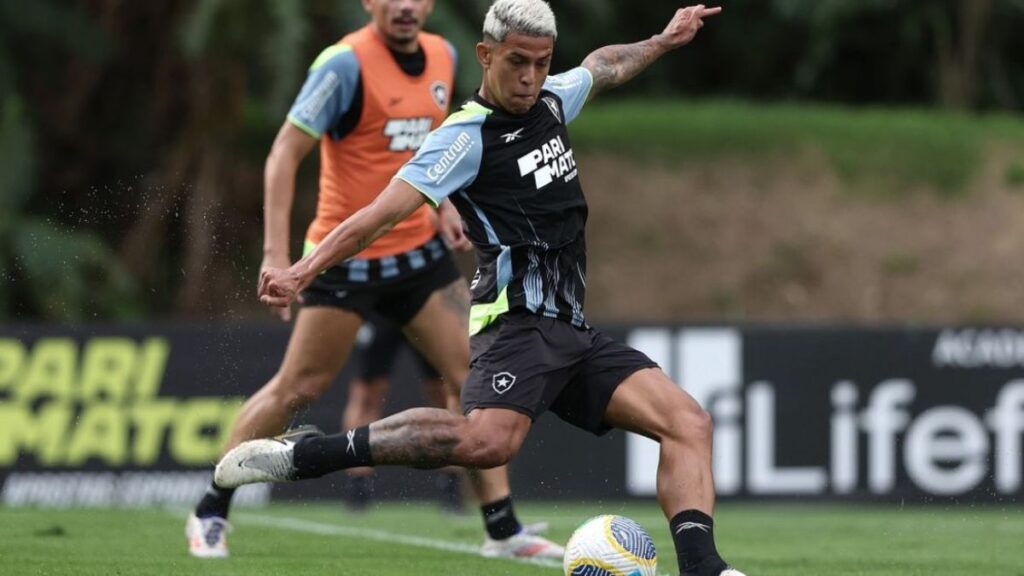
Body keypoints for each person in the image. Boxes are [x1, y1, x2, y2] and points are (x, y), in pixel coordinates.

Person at [220, 1, 746, 575]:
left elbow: (607, 64)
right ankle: (306, 455)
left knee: (688, 421)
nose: (529, 77)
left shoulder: (552, 98)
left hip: (572, 331)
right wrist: (302, 269)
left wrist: (664, 41)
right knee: (486, 444)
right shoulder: (463, 138)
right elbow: (377, 216)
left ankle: (704, 569)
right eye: (517, 61)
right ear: (485, 54)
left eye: (542, 63)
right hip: (516, 324)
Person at [186, 0, 562, 560]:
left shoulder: (444, 54)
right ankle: (211, 508)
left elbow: (440, 147)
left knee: (475, 378)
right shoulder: (343, 66)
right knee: (298, 389)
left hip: (417, 257)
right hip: (345, 263)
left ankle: (502, 530)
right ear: (369, 2)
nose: (406, 6)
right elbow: (283, 155)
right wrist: (276, 255)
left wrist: (444, 208)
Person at [340, 315, 463, 513]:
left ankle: (451, 485)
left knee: (445, 393)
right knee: (364, 396)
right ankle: (358, 484)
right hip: (381, 305)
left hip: (422, 303)